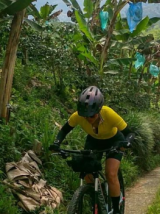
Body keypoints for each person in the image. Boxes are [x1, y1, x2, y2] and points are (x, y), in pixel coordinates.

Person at [49, 86, 133, 214]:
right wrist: (56, 143)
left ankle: (116, 210)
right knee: (87, 171)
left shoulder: (109, 113)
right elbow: (65, 130)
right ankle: (97, 197)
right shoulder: (77, 116)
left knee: (110, 173)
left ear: (99, 110)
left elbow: (129, 133)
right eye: (85, 116)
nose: (88, 119)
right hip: (94, 140)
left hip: (114, 140)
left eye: (92, 116)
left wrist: (126, 142)